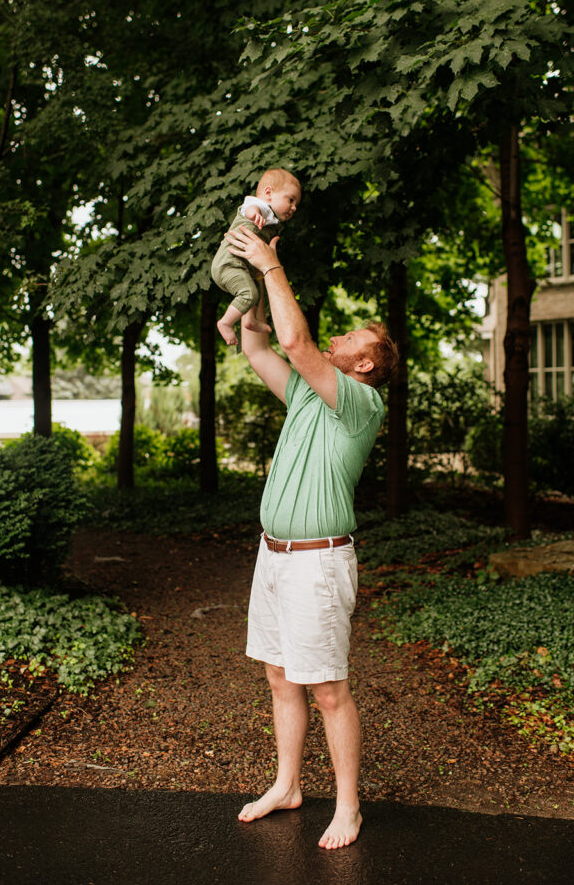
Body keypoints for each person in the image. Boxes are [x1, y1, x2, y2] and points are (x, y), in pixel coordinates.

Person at [224, 221, 398, 850]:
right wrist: (244, 313)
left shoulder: (358, 401)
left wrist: (269, 263)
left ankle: (347, 807)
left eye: (352, 336)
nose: (339, 335)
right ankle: (289, 785)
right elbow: (265, 349)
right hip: (273, 556)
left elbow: (296, 341)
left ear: (365, 363)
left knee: (328, 688)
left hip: (318, 564)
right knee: (279, 677)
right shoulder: (307, 393)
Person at [211, 167, 301, 346]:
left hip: (241, 267)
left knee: (256, 292)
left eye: (296, 203)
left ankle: (249, 320)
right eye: (290, 199)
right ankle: (226, 322)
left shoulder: (272, 220)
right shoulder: (260, 207)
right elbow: (250, 208)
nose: (294, 207)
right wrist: (255, 214)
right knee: (250, 293)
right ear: (269, 193)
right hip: (228, 265)